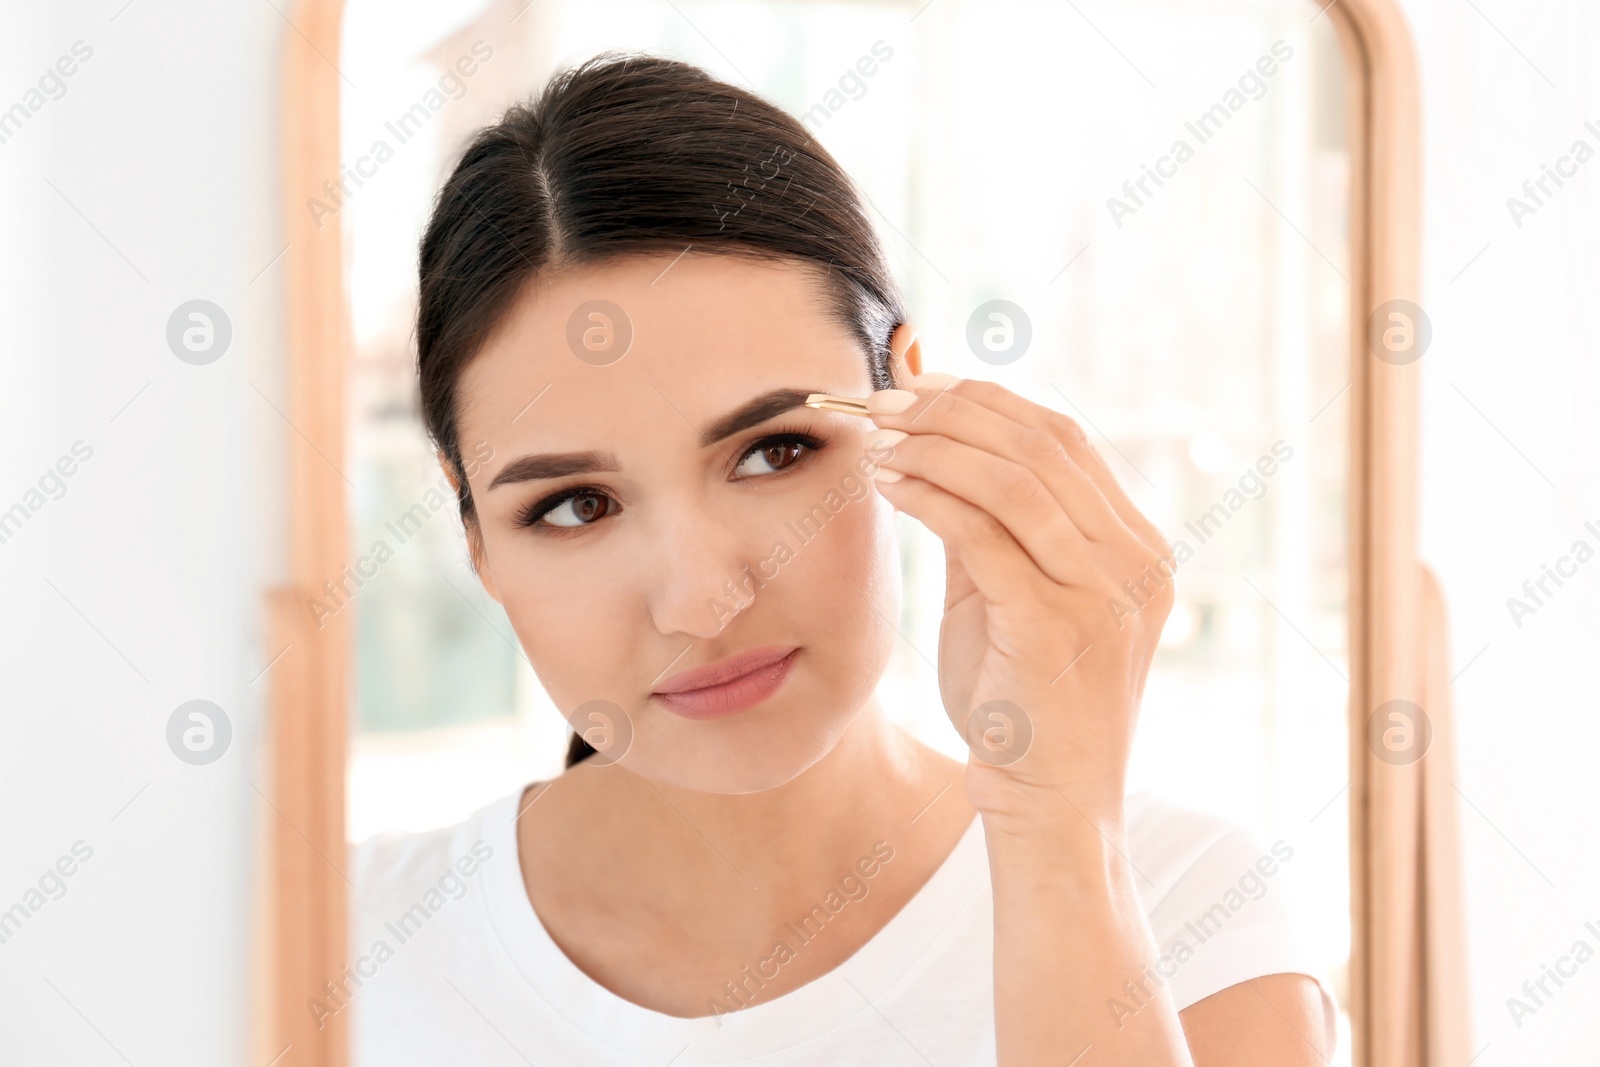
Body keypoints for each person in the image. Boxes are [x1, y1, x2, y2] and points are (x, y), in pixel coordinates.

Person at [347, 49, 1337, 1065]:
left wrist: (1056, 840)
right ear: (472, 533)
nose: (699, 599)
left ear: (903, 399)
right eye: (573, 506)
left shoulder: (1191, 914)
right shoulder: (338, 950)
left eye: (773, 450)